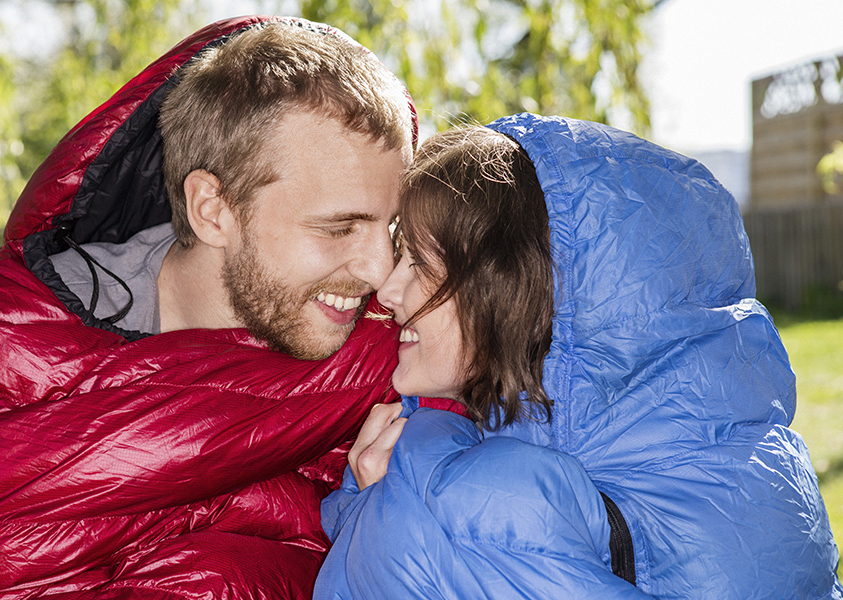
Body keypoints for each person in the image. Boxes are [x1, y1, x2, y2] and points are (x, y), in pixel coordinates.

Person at [0, 16, 416, 599]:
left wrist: (374, 512)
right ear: (213, 209)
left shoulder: (396, 356)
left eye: (390, 227)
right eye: (339, 228)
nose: (380, 271)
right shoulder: (14, 330)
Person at [315, 118, 842, 599]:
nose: (386, 288)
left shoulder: (455, 504)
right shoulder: (760, 474)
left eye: (421, 262)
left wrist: (370, 507)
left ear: (520, 289)